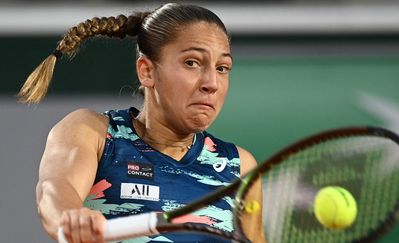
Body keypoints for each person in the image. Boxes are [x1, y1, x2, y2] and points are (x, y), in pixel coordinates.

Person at [20, 3, 264, 243]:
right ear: (147, 71)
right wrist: (71, 217)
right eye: (192, 63)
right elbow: (53, 190)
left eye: (223, 68)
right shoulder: (92, 132)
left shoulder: (239, 168)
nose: (212, 83)